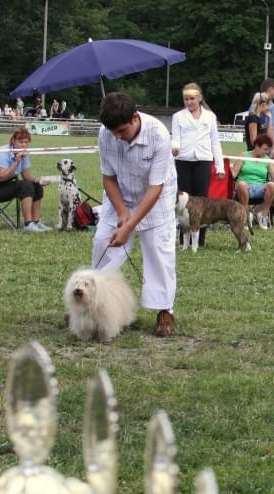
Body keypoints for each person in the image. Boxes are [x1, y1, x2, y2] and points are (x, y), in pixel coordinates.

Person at [92, 92, 177, 337]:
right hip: (119, 194)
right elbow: (108, 177)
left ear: (135, 118)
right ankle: (95, 305)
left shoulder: (159, 135)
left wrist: (129, 226)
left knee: (159, 253)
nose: (117, 137)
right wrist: (121, 213)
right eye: (113, 132)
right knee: (102, 243)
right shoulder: (105, 133)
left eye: (122, 131)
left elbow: (155, 189)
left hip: (156, 197)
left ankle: (165, 311)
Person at [171, 82, 224, 246]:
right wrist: (175, 147)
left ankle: (200, 240)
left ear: (199, 98)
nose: (189, 102)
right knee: (183, 202)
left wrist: (220, 167)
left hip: (203, 161)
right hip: (183, 161)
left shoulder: (210, 116)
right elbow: (175, 137)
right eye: (186, 99)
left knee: (202, 202)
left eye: (192, 99)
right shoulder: (178, 116)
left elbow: (215, 142)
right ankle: (184, 240)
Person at [0, 127, 52, 232]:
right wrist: (17, 162)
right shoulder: (2, 152)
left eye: (26, 142)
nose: (24, 145)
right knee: (25, 186)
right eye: (20, 142)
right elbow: (3, 176)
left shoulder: (24, 153)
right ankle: (28, 224)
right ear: (13, 141)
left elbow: (27, 176)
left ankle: (36, 221)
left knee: (36, 185)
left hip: (6, 184)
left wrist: (39, 180)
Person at [231, 133, 274, 230]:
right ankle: (245, 216)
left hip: (260, 188)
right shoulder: (244, 155)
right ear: (257, 146)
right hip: (245, 186)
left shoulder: (267, 160)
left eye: (268, 150)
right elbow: (234, 174)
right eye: (265, 149)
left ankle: (263, 216)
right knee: (241, 184)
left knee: (272, 185)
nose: (266, 152)